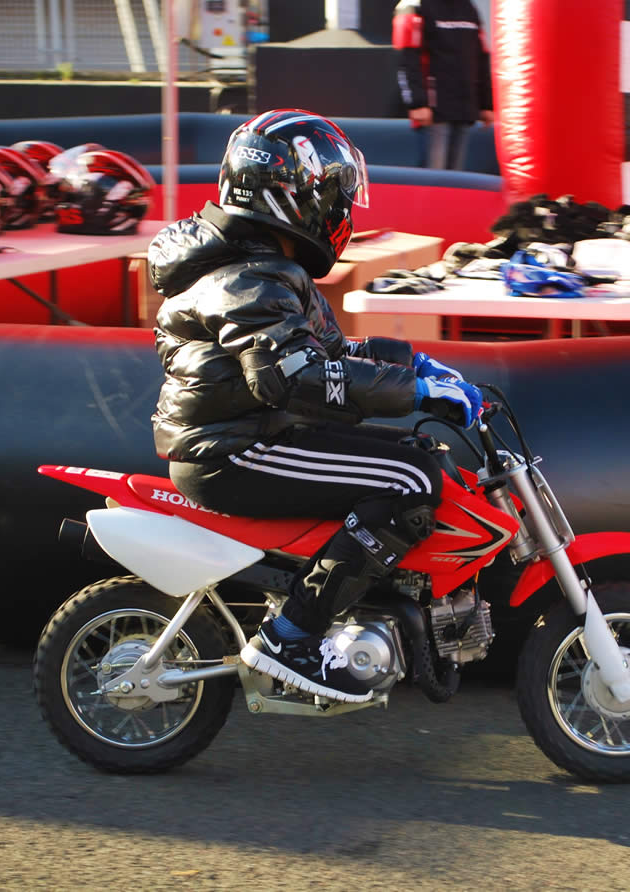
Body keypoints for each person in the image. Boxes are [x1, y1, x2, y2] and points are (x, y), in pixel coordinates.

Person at [147, 109, 483, 704]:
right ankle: (290, 636)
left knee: (415, 454)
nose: (340, 213)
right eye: (332, 197)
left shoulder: (263, 267)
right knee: (409, 479)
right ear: (287, 194)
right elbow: (296, 377)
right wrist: (416, 392)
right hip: (234, 449)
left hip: (257, 434)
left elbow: (326, 352)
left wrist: (414, 366)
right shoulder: (245, 276)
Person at [393, 0, 494, 170]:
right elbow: (407, 56)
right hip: (433, 112)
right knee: (433, 176)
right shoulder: (412, 5)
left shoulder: (467, 7)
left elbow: (481, 56)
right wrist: (417, 102)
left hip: (464, 109)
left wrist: (486, 103)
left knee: (454, 179)